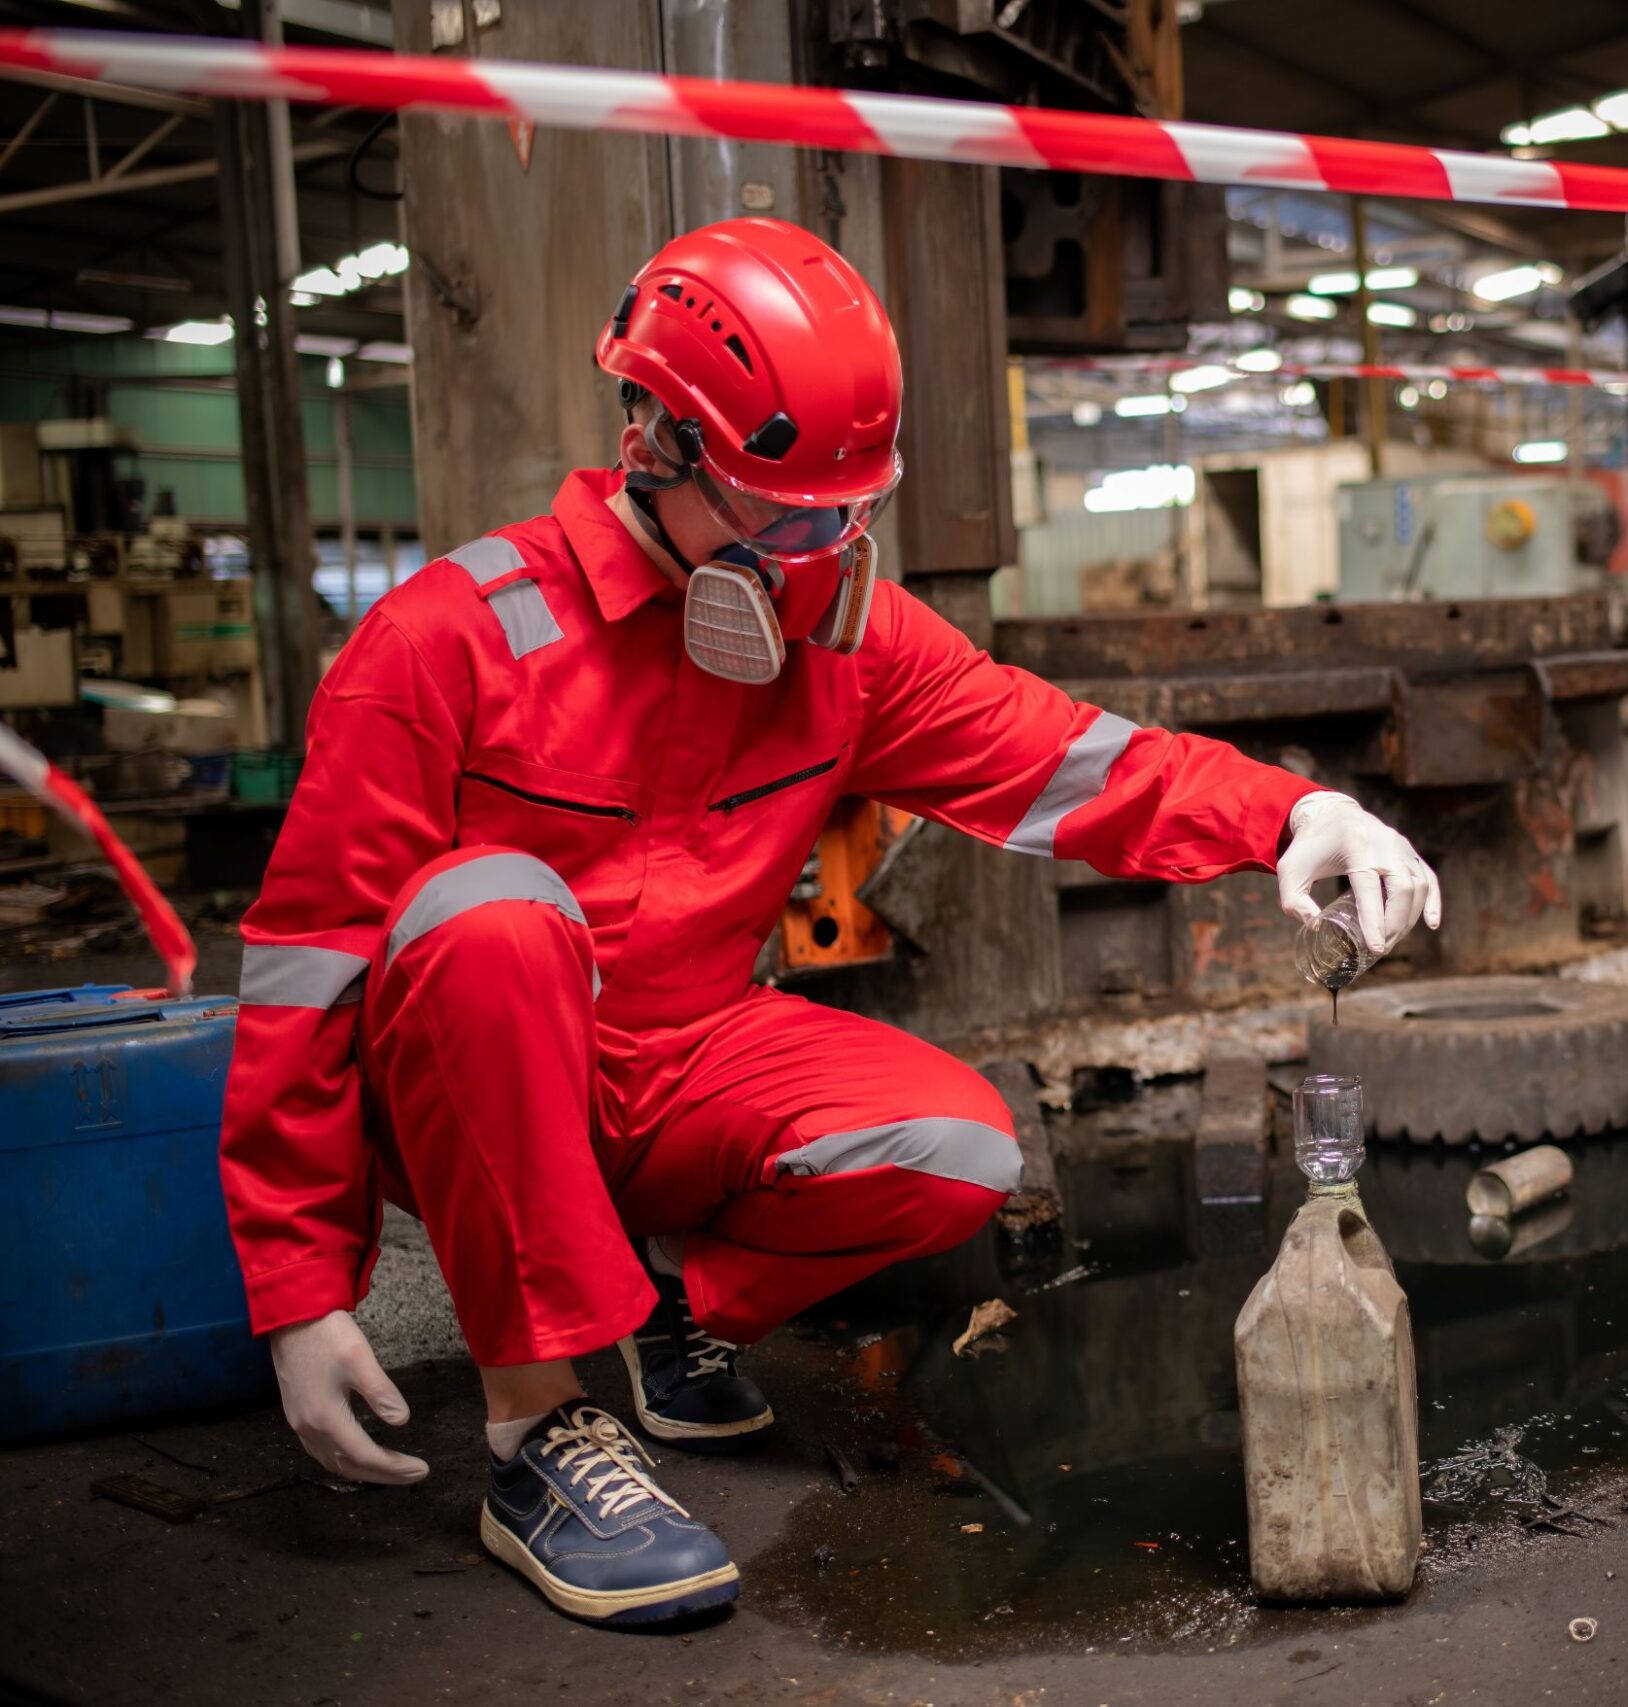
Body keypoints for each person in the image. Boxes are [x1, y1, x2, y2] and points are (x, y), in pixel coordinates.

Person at [220, 219, 1441, 1629]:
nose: (822, 551)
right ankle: (535, 1427)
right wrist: (301, 1287)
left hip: (682, 1062)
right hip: (469, 1078)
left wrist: (1297, 814)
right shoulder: (448, 637)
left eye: (849, 513)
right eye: (787, 516)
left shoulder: (838, 640)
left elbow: (1072, 761)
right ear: (653, 441)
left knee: (958, 1145)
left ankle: (674, 1310)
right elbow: (307, 964)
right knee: (493, 911)